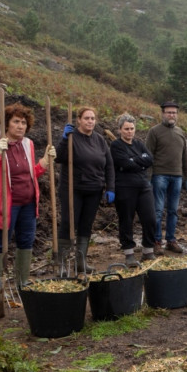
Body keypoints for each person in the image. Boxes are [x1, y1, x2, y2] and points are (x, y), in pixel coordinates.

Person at [0, 102, 55, 286]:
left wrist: (44, 162)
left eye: (23, 123)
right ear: (7, 124)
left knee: (26, 241)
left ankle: (23, 281)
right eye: (16, 122)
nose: (20, 126)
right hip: (5, 203)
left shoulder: (28, 144)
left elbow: (30, 173)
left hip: (28, 203)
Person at [55, 106, 114, 273]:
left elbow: (109, 165)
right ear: (79, 120)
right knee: (68, 223)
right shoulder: (72, 137)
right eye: (86, 118)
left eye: (92, 118)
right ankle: (62, 263)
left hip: (94, 189)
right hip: (73, 189)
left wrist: (110, 187)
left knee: (86, 225)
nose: (90, 121)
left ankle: (80, 262)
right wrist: (64, 139)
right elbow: (59, 157)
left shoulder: (100, 140)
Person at [109, 113, 157, 268]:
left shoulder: (139, 144)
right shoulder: (116, 146)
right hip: (124, 188)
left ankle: (148, 250)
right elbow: (123, 163)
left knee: (150, 218)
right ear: (120, 130)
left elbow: (149, 160)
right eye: (126, 129)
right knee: (126, 220)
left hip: (143, 186)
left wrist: (133, 161)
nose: (129, 131)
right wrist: (138, 162)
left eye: (132, 128)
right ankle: (129, 253)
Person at [146, 101, 187, 255]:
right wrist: (148, 177)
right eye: (169, 112)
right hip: (159, 175)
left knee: (173, 210)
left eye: (174, 112)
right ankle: (157, 241)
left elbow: (185, 156)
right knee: (158, 210)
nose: (172, 115)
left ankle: (171, 240)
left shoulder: (180, 132)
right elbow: (148, 156)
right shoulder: (154, 132)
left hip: (177, 176)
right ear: (163, 114)